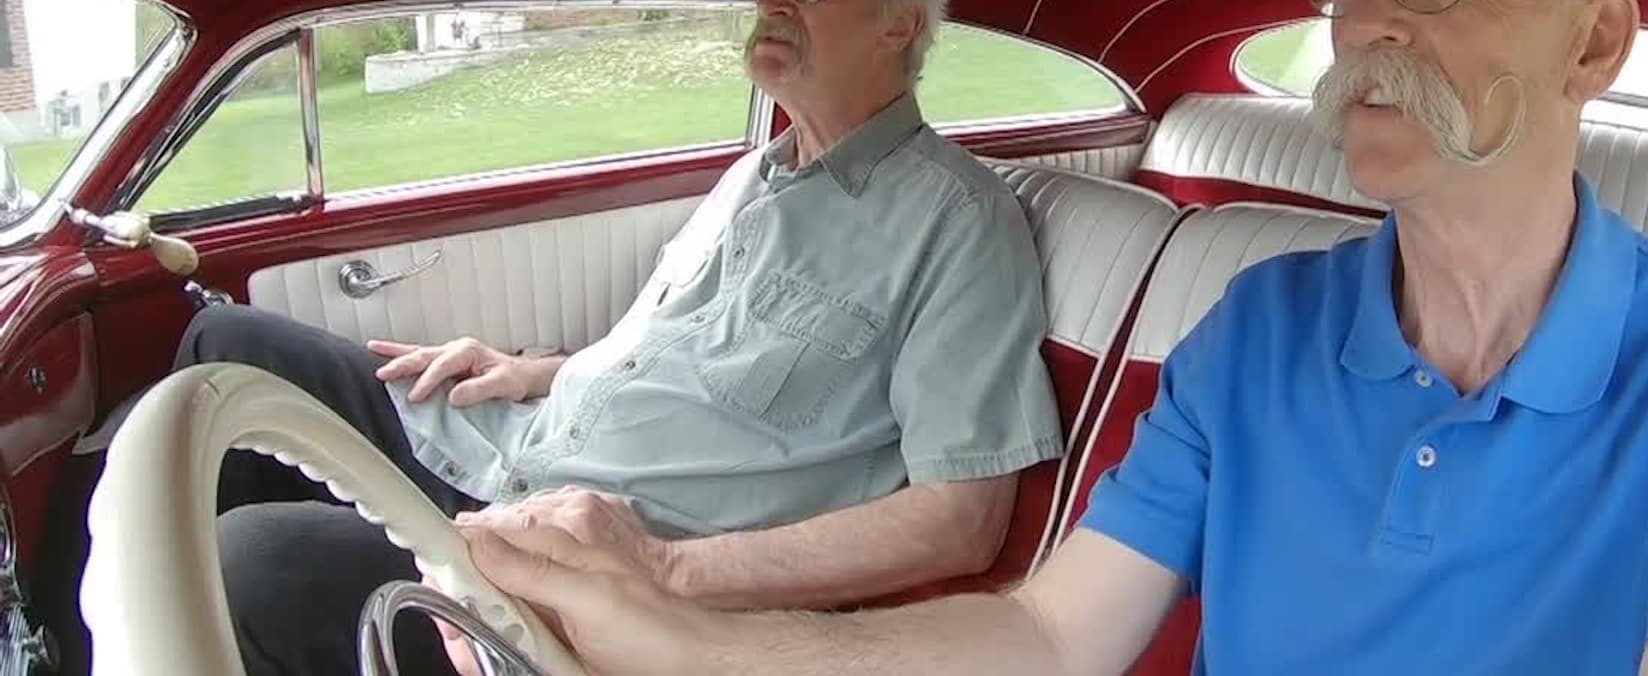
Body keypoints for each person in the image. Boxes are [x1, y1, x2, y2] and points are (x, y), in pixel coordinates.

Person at [442, 0, 1648, 673]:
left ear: (1594, 43)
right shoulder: (1262, 333)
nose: (1373, 31)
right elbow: (1044, 632)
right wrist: (673, 633)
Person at [177, 0, 1064, 672]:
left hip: (579, 559)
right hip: (509, 444)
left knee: (246, 562)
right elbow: (684, 351)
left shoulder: (959, 224)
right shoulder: (753, 176)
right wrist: (534, 370)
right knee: (226, 346)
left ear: (898, 21)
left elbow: (961, 521)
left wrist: (660, 569)